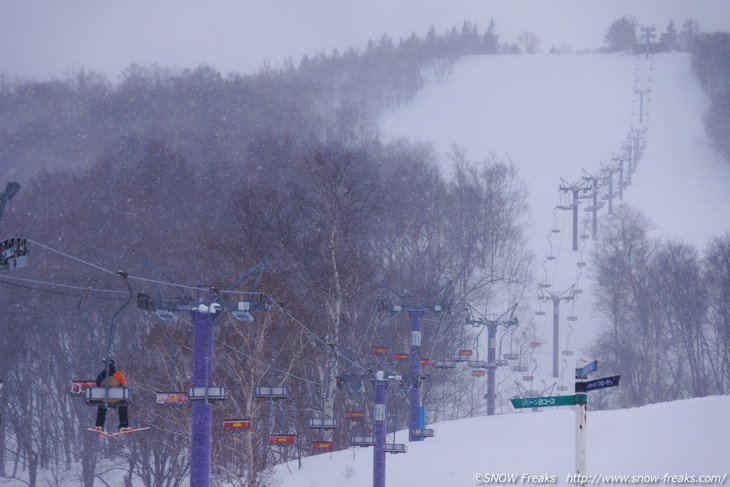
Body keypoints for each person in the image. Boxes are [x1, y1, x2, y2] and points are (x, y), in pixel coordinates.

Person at [93, 358, 131, 433]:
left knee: (102, 408)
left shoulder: (101, 375)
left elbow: (97, 385)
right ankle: (123, 425)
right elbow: (125, 386)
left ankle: (99, 425)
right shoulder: (118, 374)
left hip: (104, 399)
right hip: (117, 398)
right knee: (123, 407)